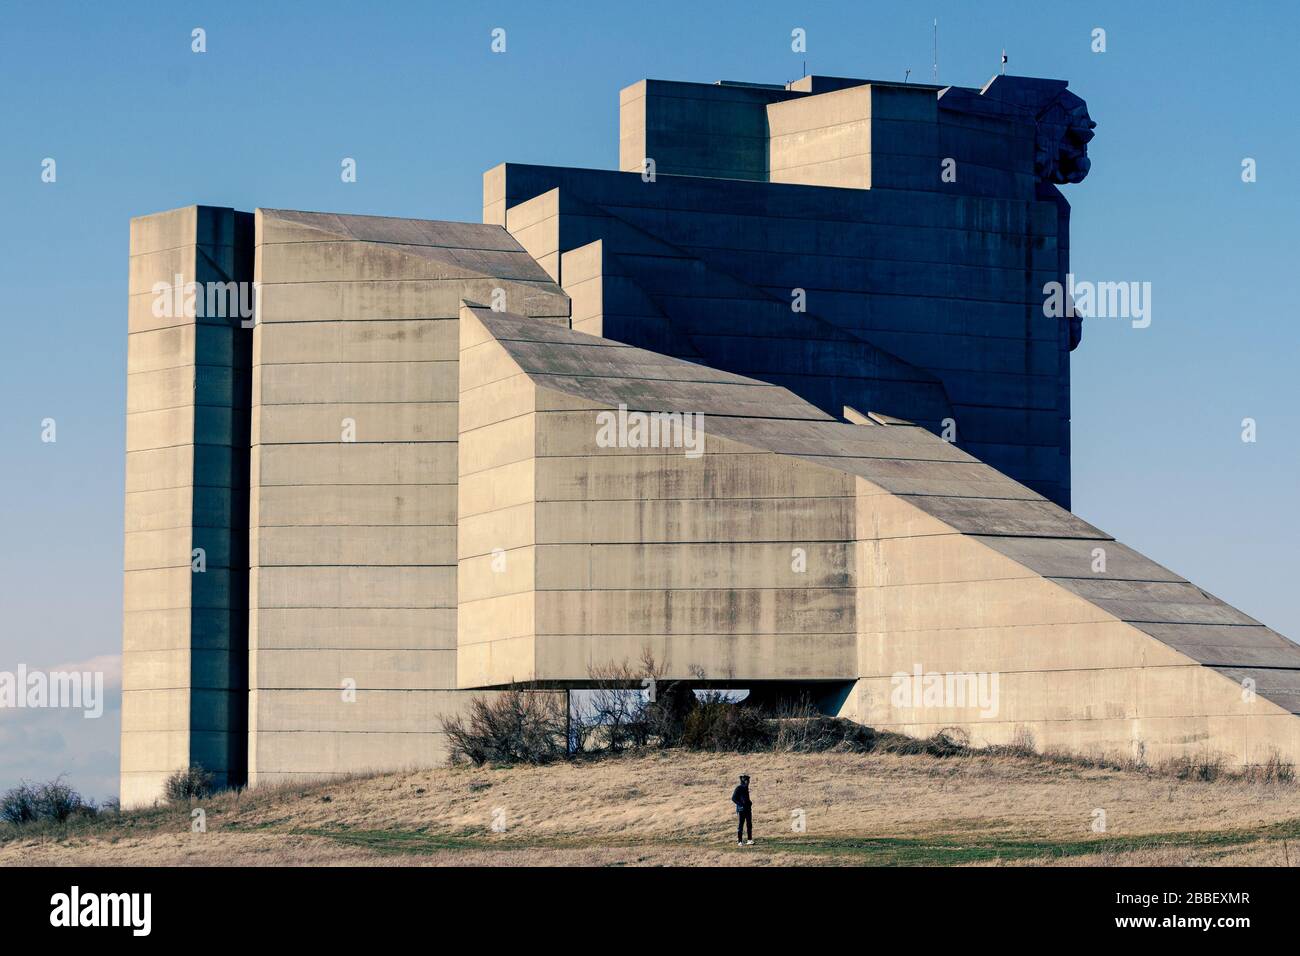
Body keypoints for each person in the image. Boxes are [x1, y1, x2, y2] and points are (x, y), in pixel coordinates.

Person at [731, 773, 753, 845]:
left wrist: (749, 803)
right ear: (744, 781)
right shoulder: (739, 788)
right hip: (741, 810)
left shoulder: (746, 788)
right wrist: (741, 805)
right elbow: (733, 798)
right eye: (747, 781)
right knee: (741, 825)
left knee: (749, 824)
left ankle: (749, 839)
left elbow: (745, 799)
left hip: (748, 809)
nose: (748, 782)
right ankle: (740, 841)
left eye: (748, 781)